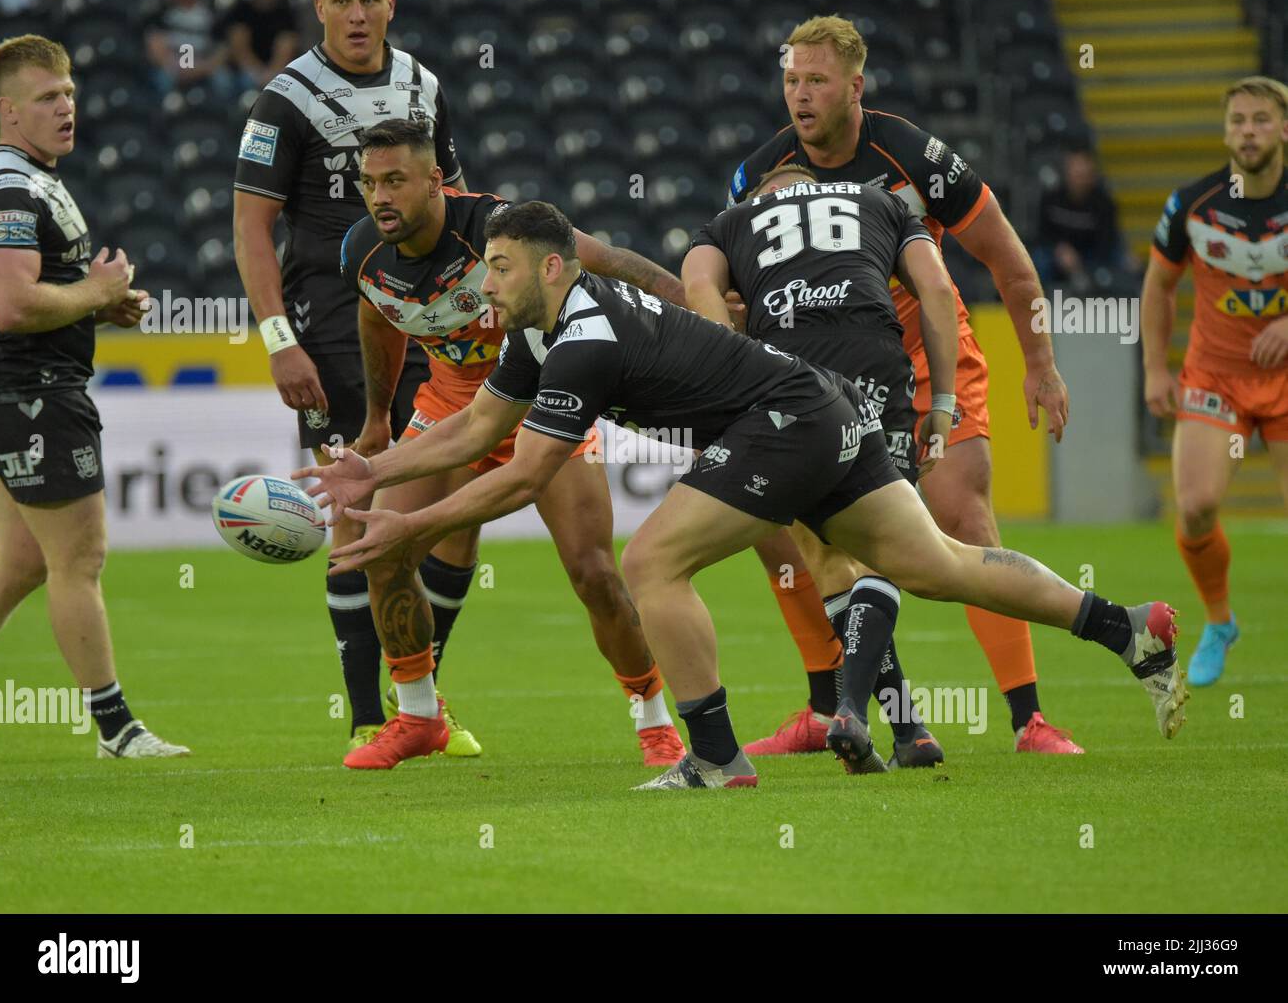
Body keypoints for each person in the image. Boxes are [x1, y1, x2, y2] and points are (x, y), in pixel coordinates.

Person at [298, 200, 1188, 792]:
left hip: (785, 421)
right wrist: (372, 473)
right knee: (937, 566)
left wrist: (401, 530)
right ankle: (1128, 625)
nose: (483, 286)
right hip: (815, 407)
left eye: (497, 267)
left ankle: (715, 759)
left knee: (652, 562)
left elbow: (526, 474)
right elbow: (475, 430)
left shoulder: (582, 340)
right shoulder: (544, 332)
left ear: (553, 268)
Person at [726, 15, 1080, 755]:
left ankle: (1029, 719)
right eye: (791, 80)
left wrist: (1041, 363)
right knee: (779, 533)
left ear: (855, 86)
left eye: (816, 81)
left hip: (928, 363)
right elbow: (734, 290)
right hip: (818, 375)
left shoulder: (918, 158)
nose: (800, 95)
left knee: (962, 519)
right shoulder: (758, 174)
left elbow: (1010, 264)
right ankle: (834, 712)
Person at [331, 118, 688, 768]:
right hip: (448, 406)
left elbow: (612, 262)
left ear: (435, 182)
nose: (380, 196)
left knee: (593, 572)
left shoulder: (501, 229)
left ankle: (654, 719)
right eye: (369, 182)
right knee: (382, 544)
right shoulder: (362, 253)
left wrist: (696, 307)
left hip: (543, 401)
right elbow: (376, 312)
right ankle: (417, 716)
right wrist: (378, 416)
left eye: (395, 181)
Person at [233, 0, 477, 756]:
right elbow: (251, 225)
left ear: (392, 4)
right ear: (319, 7)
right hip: (333, 321)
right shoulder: (284, 99)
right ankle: (372, 711)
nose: (358, 13)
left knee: (458, 512)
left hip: (431, 311)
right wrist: (278, 338)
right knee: (358, 505)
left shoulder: (424, 85)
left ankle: (423, 700)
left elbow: (459, 197)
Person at [684, 162, 956, 769]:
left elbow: (698, 293)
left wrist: (728, 377)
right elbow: (937, 290)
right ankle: (905, 728)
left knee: (828, 555)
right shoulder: (879, 202)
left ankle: (857, 712)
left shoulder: (731, 222)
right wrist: (943, 400)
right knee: (878, 551)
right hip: (876, 366)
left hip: (790, 381)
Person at [0, 34, 188, 758]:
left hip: (18, 389)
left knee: (20, 564)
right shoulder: (10, 184)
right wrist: (93, 293)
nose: (67, 107)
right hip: (32, 390)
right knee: (81, 559)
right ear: (9, 112)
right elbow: (9, 307)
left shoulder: (31, 176)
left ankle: (115, 728)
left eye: (69, 93)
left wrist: (98, 304)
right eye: (48, 98)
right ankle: (117, 729)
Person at [1142, 75, 1288, 687]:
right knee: (1197, 507)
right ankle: (1220, 621)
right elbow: (1158, 286)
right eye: (1237, 121)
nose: (1247, 132)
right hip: (1215, 378)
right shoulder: (1193, 204)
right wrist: (1155, 368)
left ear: (1283, 129)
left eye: (1259, 120)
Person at [1033, 146, 1133, 289]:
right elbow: (1043, 233)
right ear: (1067, 172)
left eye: (1084, 173)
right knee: (1039, 260)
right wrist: (1059, 249)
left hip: (1092, 253)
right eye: (1076, 173)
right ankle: (1036, 304)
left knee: (1125, 264)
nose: (1080, 178)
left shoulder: (1103, 202)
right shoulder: (1052, 198)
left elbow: (1108, 238)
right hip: (1058, 253)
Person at [220, 0, 301, 93]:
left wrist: (271, 77)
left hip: (277, 74)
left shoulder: (286, 13)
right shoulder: (241, 10)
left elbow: (289, 45)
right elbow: (236, 44)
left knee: (287, 41)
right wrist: (257, 74)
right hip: (246, 72)